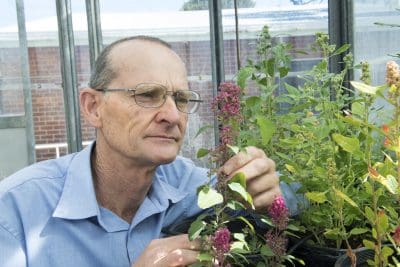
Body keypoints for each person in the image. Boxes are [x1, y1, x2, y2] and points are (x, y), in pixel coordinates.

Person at [0, 36, 298, 267]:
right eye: (146, 94)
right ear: (93, 107)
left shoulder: (191, 186)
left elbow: (299, 196)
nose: (172, 115)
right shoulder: (17, 211)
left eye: (181, 99)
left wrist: (270, 190)